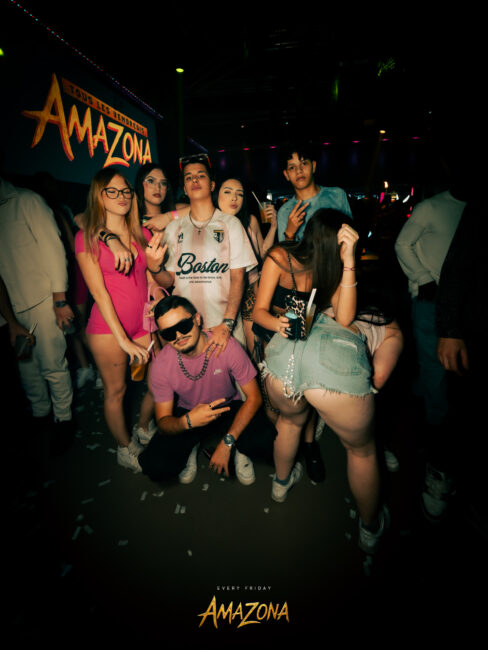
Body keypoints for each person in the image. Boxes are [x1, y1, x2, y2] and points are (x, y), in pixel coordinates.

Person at [254, 210, 398, 553]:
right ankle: (369, 527)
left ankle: (281, 484)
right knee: (361, 451)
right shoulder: (279, 256)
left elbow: (344, 316)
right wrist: (279, 325)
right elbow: (259, 310)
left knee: (291, 422)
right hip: (282, 343)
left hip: (293, 358)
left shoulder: (329, 266)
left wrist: (348, 263)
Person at [75, 168, 166, 471]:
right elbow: (99, 295)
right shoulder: (86, 238)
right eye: (112, 191)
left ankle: (143, 425)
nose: (122, 196)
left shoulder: (142, 233)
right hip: (108, 330)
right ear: (99, 196)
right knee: (116, 392)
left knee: (157, 382)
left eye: (126, 190)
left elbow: (149, 277)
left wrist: (156, 292)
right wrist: (123, 340)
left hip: (143, 323)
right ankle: (125, 448)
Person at [137, 295, 276, 484]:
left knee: (268, 442)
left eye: (183, 326)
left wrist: (227, 442)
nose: (178, 336)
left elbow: (254, 398)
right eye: (169, 333)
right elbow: (163, 422)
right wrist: (186, 422)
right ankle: (190, 445)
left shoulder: (226, 346)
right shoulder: (162, 365)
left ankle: (236, 446)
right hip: (188, 412)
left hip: (226, 406)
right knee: (155, 466)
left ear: (197, 319)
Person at [395, 184, 466, 521]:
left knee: (439, 378)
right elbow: (402, 244)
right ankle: (436, 460)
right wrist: (423, 278)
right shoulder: (432, 207)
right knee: (436, 372)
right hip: (431, 303)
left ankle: (420, 416)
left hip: (468, 306)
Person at [144, 154, 257, 351]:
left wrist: (227, 324)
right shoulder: (174, 228)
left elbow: (238, 278)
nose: (194, 180)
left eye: (200, 175)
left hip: (224, 326)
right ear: (184, 188)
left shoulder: (230, 224)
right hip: (186, 329)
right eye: (189, 177)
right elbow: (168, 281)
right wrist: (154, 268)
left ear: (212, 185)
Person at [0, 175, 74, 454]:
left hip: (44, 300)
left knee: (53, 366)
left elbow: (54, 251)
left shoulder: (27, 201)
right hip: (10, 307)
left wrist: (59, 302)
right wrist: (9, 320)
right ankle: (41, 413)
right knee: (26, 368)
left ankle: (64, 419)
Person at [276, 143, 353, 244]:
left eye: (304, 163)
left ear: (314, 166)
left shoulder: (337, 195)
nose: (299, 171)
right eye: (292, 167)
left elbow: (351, 238)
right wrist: (289, 235)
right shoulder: (285, 212)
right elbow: (283, 253)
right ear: (286, 175)